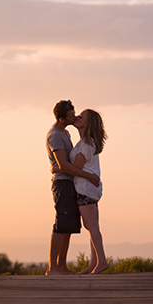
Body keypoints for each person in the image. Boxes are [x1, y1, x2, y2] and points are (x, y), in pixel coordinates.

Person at [46, 100, 100, 275]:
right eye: (71, 116)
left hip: (71, 183)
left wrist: (58, 167)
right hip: (63, 183)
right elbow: (63, 165)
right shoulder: (55, 135)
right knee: (61, 224)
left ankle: (62, 265)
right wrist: (88, 176)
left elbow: (65, 164)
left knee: (68, 225)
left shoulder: (66, 133)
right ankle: (52, 267)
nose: (75, 116)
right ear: (62, 119)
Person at [68, 109, 108, 274]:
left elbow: (76, 169)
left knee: (91, 226)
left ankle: (101, 261)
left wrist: (56, 167)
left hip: (85, 189)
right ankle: (94, 263)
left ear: (88, 123)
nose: (77, 117)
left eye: (81, 116)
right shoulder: (87, 142)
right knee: (92, 226)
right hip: (91, 189)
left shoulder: (85, 144)